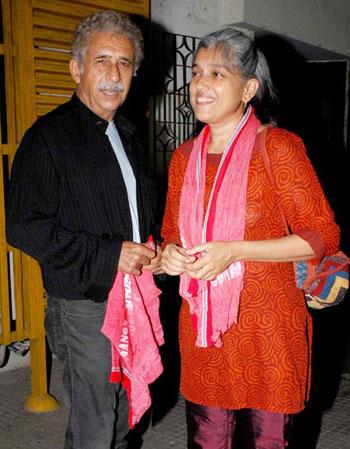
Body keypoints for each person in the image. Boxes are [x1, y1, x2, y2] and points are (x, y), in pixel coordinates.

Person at [161, 26, 340, 449]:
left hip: (269, 330)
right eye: (197, 72)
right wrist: (168, 255)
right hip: (207, 333)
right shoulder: (183, 159)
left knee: (271, 442)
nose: (201, 84)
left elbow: (323, 234)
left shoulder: (277, 147)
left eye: (218, 74)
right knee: (207, 439)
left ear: (249, 88)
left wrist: (234, 251)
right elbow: (171, 235)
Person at [7, 10, 162, 449]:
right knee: (96, 421)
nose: (115, 74)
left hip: (133, 297)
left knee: (126, 411)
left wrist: (158, 249)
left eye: (125, 63)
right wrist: (111, 253)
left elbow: (136, 218)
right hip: (83, 304)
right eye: (102, 61)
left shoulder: (127, 135)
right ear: (76, 68)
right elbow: (22, 227)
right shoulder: (48, 137)